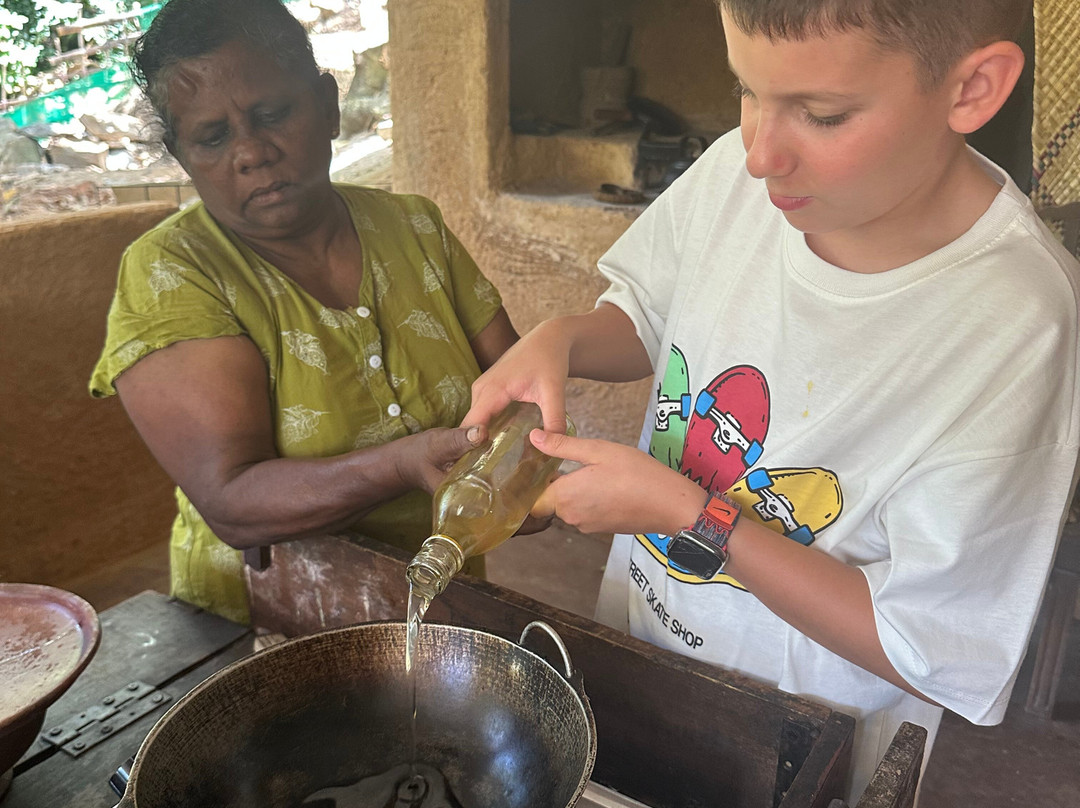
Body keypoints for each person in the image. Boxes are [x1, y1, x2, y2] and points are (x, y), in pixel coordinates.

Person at [464, 0, 1080, 801]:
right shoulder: (736, 173)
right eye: (746, 91)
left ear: (973, 88)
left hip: (802, 748)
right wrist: (566, 339)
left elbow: (923, 647)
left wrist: (691, 515)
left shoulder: (1015, 324)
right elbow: (649, 311)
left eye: (822, 115)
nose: (760, 155)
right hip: (640, 659)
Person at [89, 0, 519, 626]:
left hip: (440, 600)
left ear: (327, 106)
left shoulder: (415, 228)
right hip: (265, 624)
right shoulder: (173, 272)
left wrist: (523, 472)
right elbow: (233, 502)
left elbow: (516, 393)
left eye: (272, 115)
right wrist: (401, 464)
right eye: (213, 137)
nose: (251, 152)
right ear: (182, 157)